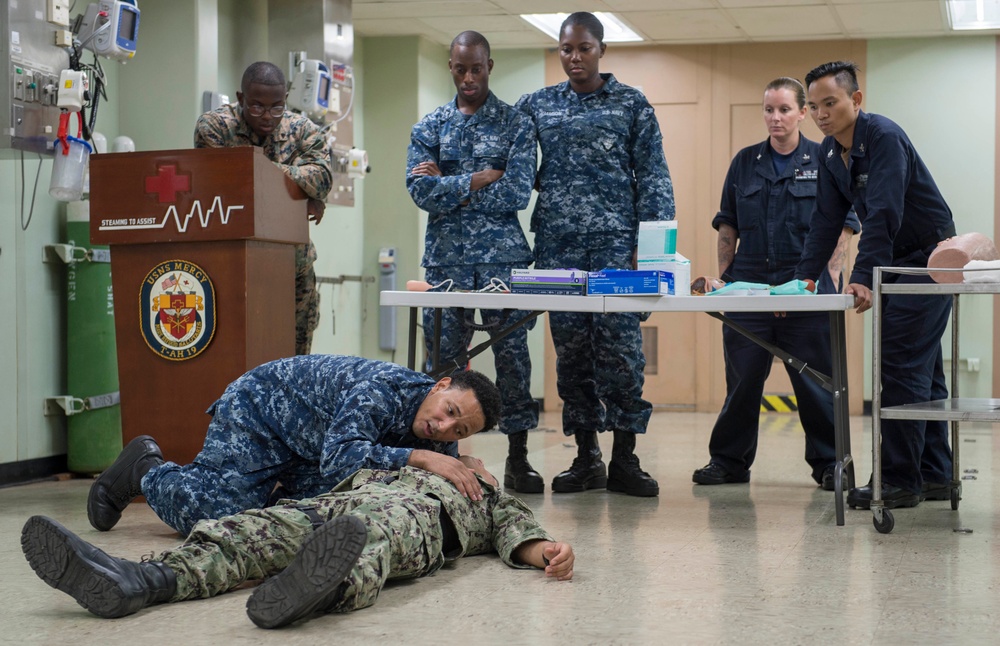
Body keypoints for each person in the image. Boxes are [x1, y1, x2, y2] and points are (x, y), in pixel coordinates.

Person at [23, 462, 575, 629]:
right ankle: (141, 581)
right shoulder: (395, 467)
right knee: (252, 528)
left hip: (414, 524)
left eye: (475, 462)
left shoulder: (488, 499)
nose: (468, 463)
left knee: (367, 544)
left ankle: (318, 591)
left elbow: (517, 536)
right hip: (336, 505)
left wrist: (546, 551)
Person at [515, 12, 674, 497]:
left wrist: (651, 255)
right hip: (558, 248)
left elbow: (654, 179)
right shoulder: (538, 105)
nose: (574, 57)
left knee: (622, 353)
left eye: (584, 48)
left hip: (615, 248)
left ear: (601, 49)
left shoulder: (631, 103)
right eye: (566, 49)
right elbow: (508, 156)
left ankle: (626, 457)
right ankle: (587, 458)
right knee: (572, 354)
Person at [87, 355, 501, 535]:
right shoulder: (382, 390)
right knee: (212, 515)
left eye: (458, 431)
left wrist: (470, 471)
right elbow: (342, 459)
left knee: (298, 519)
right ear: (441, 385)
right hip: (262, 413)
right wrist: (420, 456)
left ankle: (259, 490)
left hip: (309, 447)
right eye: (447, 410)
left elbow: (439, 472)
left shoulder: (439, 432)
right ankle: (146, 469)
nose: (442, 427)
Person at [794, 61, 956, 509]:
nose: (821, 114)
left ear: (856, 100)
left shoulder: (883, 136)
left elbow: (884, 212)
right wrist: (804, 277)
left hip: (928, 259)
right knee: (923, 371)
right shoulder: (829, 152)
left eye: (831, 102)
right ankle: (935, 474)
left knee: (901, 366)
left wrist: (863, 276)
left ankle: (899, 481)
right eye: (814, 106)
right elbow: (826, 221)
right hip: (895, 261)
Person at [692, 78, 860, 490]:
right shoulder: (745, 162)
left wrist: (828, 282)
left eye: (784, 109)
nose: (775, 118)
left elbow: (844, 228)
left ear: (803, 112)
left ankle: (830, 465)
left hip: (805, 286)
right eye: (769, 109)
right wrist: (725, 281)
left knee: (816, 382)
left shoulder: (827, 159)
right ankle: (729, 461)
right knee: (743, 381)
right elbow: (727, 226)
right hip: (749, 287)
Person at [406, 32, 542, 494]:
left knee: (512, 360)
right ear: (450, 66)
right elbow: (421, 192)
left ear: (489, 65)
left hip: (503, 260)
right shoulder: (430, 127)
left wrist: (451, 183)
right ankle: (443, 459)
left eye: (477, 68)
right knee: (442, 363)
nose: (469, 77)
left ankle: (519, 457)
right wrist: (481, 178)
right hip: (445, 263)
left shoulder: (515, 123)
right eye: (460, 68)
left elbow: (517, 194)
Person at [195, 61, 332, 355]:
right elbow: (227, 184)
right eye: (256, 107)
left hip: (293, 266)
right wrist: (297, 191)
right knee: (237, 356)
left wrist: (301, 189)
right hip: (232, 266)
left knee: (294, 361)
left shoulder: (303, 130)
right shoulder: (215, 127)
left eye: (277, 107)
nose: (268, 116)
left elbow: (322, 179)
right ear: (241, 98)